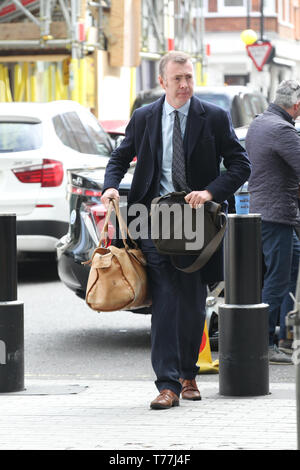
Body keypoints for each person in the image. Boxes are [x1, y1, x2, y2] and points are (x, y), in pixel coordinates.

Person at [101, 51, 250, 409]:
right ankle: (166, 384)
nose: (185, 85)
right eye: (178, 79)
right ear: (162, 82)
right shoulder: (145, 117)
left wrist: (211, 191)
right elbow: (121, 157)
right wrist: (110, 185)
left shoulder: (212, 116)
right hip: (154, 217)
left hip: (198, 221)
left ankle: (188, 374)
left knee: (193, 300)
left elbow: (240, 164)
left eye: (189, 78)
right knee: (166, 299)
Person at [245, 79, 300, 364]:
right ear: (296, 105)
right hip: (278, 214)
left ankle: (283, 336)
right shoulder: (282, 130)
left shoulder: (259, 123)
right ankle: (264, 342)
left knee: (290, 269)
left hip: (266, 212)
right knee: (278, 279)